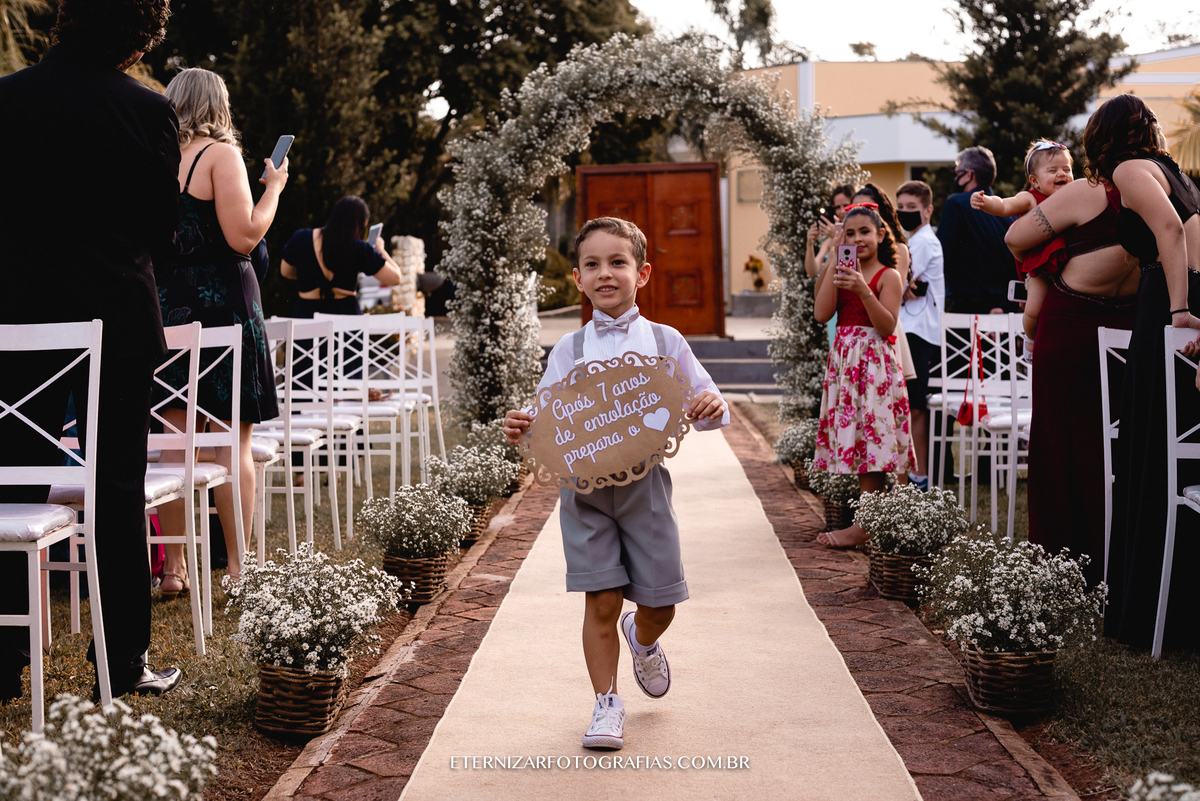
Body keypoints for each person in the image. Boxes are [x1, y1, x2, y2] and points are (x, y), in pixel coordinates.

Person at [0, 0, 182, 699]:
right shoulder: (146, 110)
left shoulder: (6, 100)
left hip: (17, 321)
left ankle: (5, 656)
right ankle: (121, 659)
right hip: (117, 321)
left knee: (11, 482)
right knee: (114, 488)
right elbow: (162, 234)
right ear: (141, 34)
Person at [502, 217, 728, 751]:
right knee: (600, 597)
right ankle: (606, 703)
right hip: (583, 491)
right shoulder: (568, 350)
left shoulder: (665, 341)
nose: (605, 273)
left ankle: (643, 638)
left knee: (660, 600)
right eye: (592, 264)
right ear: (577, 279)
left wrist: (711, 405)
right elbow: (547, 413)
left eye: (617, 262)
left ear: (642, 272)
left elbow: (707, 407)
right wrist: (524, 423)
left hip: (644, 487)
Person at [153, 67, 288, 593]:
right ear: (218, 105)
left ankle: (173, 569)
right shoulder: (220, 155)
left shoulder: (155, 156)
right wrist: (272, 189)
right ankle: (240, 567)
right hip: (222, 303)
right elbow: (243, 237)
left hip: (166, 306)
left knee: (171, 435)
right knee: (233, 436)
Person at [1081, 94, 1200, 651]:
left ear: (1100, 134)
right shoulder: (1173, 170)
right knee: (1175, 444)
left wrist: (1178, 310)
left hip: (1171, 300)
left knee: (1156, 444)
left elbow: (1171, 233)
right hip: (1181, 291)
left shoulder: (1129, 169)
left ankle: (1150, 614)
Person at [1005, 164, 1137, 587]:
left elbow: (1014, 238)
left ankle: (1066, 566)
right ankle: (1103, 566)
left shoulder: (1089, 190)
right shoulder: (1166, 192)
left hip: (1079, 325)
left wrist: (1043, 258)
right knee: (1108, 444)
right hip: (1125, 326)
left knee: (1062, 444)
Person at [812, 206, 916, 547]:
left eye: (864, 233)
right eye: (850, 234)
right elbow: (821, 313)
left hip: (874, 366)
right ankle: (870, 521)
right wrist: (833, 264)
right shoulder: (841, 271)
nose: (857, 239)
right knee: (858, 439)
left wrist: (862, 288)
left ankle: (866, 525)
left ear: (880, 235)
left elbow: (887, 326)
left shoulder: (889, 275)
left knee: (873, 439)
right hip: (846, 362)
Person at [973, 139, 1075, 343]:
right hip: (1041, 266)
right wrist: (986, 203)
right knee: (1033, 311)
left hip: (1068, 263)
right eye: (1052, 170)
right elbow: (1004, 205)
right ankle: (1030, 340)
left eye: (1066, 169)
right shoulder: (1031, 198)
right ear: (1035, 181)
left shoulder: (1074, 197)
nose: (1062, 174)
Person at [896, 180, 945, 491]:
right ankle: (913, 473)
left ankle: (919, 475)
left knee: (914, 404)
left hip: (918, 331)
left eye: (911, 208)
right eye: (900, 208)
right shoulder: (915, 240)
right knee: (909, 403)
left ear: (927, 211)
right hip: (911, 328)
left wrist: (904, 288)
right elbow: (904, 287)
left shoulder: (923, 243)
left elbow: (898, 282)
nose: (905, 213)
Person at [280, 196, 402, 318]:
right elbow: (395, 278)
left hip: (307, 320)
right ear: (359, 224)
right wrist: (381, 250)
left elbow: (285, 272)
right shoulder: (359, 248)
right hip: (346, 326)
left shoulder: (301, 238)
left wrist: (307, 273)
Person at [937, 146, 1019, 313]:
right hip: (1002, 310)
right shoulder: (1010, 213)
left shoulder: (956, 204)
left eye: (957, 172)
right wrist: (1006, 306)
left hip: (966, 310)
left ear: (968, 174)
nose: (955, 176)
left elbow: (940, 255)